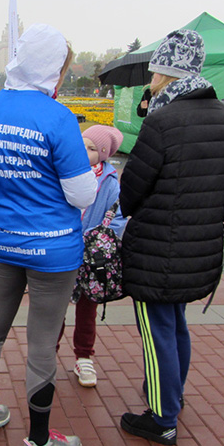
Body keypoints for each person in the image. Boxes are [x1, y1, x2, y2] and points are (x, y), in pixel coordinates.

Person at [0, 24, 97, 446]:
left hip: (1, 241)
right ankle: (39, 442)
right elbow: (82, 195)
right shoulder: (56, 116)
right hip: (53, 251)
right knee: (41, 342)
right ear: (52, 69)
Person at [119, 29, 224, 446]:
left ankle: (162, 416)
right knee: (177, 323)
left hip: (157, 246)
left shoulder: (163, 120)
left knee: (156, 330)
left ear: (164, 71)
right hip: (200, 245)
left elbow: (132, 188)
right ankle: (173, 395)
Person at [62, 125, 126, 388]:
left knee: (88, 307)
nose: (84, 152)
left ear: (103, 154)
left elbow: (118, 216)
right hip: (63, 250)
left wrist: (98, 238)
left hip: (92, 256)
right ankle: (46, 353)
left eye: (92, 149)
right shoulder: (65, 171)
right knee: (54, 307)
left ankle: (83, 355)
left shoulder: (110, 181)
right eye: (82, 145)